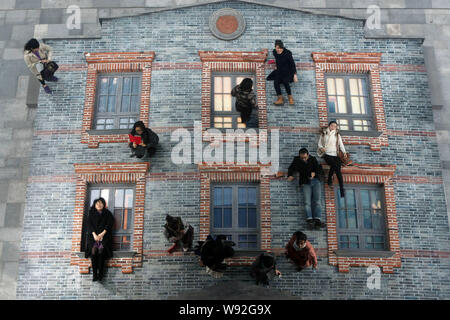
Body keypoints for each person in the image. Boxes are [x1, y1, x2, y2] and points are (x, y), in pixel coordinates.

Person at [287, 148, 326, 230]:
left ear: (308, 155)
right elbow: (291, 168)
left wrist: (314, 173)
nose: (303, 159)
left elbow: (318, 169)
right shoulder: (297, 160)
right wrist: (290, 175)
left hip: (315, 181)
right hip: (305, 183)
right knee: (307, 202)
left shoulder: (313, 159)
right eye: (302, 158)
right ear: (299, 156)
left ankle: (317, 219)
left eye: (305, 157)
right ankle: (309, 220)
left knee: (317, 201)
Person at [84, 197, 114, 282]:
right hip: (93, 237)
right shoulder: (91, 213)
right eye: (97, 203)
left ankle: (100, 274)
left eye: (101, 203)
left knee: (101, 251)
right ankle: (94, 275)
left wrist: (101, 234)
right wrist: (94, 234)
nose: (99, 205)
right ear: (94, 205)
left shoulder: (108, 213)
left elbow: (109, 224)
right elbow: (89, 224)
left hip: (104, 237)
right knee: (93, 252)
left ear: (104, 204)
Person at [317, 121, 346, 197]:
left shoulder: (337, 134)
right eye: (332, 125)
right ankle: (329, 179)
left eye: (335, 126)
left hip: (335, 154)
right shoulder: (324, 133)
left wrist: (344, 152)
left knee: (338, 171)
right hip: (327, 154)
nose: (333, 127)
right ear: (329, 126)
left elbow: (341, 144)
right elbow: (319, 143)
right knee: (334, 165)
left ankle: (342, 191)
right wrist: (322, 148)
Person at [266, 39, 298, 105]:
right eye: (276, 48)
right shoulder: (274, 52)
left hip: (287, 71)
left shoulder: (287, 53)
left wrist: (294, 74)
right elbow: (278, 59)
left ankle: (290, 98)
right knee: (275, 82)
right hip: (279, 71)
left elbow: (292, 64)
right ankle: (280, 98)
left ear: (282, 47)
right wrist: (274, 62)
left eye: (279, 48)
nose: (278, 49)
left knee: (286, 82)